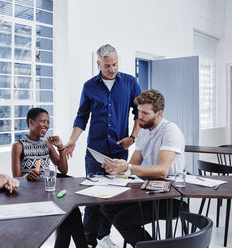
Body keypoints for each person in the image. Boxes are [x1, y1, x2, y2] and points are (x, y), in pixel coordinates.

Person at [65, 44, 141, 248]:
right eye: (107, 65)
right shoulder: (89, 86)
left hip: (119, 151)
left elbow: (140, 113)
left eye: (115, 64)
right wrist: (72, 140)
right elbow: (82, 117)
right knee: (93, 197)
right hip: (95, 152)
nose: (112, 69)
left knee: (114, 196)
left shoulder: (130, 83)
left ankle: (103, 235)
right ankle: (88, 241)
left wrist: (132, 137)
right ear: (98, 63)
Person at [101, 89, 188, 247]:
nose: (139, 116)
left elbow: (162, 170)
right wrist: (117, 169)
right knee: (107, 206)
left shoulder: (170, 131)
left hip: (171, 196)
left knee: (123, 220)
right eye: (139, 111)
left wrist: (128, 167)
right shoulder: (143, 131)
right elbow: (134, 163)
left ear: (159, 113)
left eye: (145, 113)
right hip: (148, 190)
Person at [11, 107, 87, 248]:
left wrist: (60, 147)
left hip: (49, 190)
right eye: (43, 121)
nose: (46, 125)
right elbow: (16, 177)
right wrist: (27, 176)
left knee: (71, 212)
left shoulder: (47, 145)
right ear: (31, 122)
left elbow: (63, 170)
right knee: (71, 213)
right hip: (32, 194)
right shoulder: (19, 146)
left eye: (48, 122)